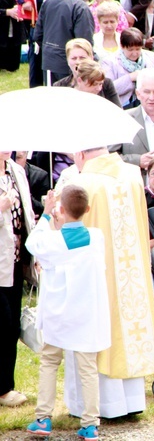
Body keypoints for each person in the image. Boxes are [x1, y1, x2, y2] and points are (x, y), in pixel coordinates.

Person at [60, 146, 154, 419]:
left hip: (95, 273)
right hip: (131, 272)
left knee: (95, 335)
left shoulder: (80, 182)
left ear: (80, 152)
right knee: (126, 331)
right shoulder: (132, 175)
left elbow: (69, 231)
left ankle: (93, 406)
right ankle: (130, 402)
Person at [25, 186, 110, 441]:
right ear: (88, 210)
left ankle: (42, 418)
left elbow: (34, 244)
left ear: (61, 210)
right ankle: (91, 423)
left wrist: (48, 214)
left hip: (58, 314)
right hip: (86, 314)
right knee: (88, 369)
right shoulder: (96, 237)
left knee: (50, 362)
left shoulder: (51, 241)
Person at [0, 151, 34, 408]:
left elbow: (26, 214)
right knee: (2, 321)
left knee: (11, 326)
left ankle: (5, 386)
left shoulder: (16, 170)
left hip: (14, 260)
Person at [35, 0, 94, 85]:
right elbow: (85, 42)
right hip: (73, 67)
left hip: (49, 62)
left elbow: (37, 34)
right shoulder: (80, 7)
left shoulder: (49, 1)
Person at [100, 27, 154, 108]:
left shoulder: (150, 56)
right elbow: (108, 89)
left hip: (148, 104)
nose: (135, 53)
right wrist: (130, 77)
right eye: (130, 50)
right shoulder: (109, 62)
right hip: (122, 106)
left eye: (138, 49)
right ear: (122, 46)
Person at [53, 39, 121, 107]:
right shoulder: (59, 86)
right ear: (68, 60)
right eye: (74, 58)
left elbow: (118, 111)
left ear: (91, 58)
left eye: (82, 58)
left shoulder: (106, 83)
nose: (78, 62)